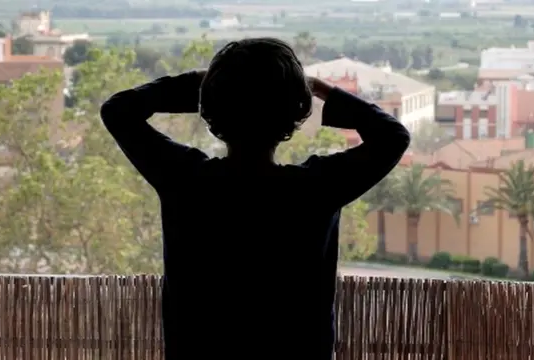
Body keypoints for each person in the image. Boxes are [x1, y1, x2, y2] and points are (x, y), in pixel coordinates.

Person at [100, 38, 410, 360]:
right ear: (297, 111)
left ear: (212, 109)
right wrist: (321, 90)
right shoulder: (315, 190)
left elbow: (118, 111)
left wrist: (199, 82)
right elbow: (393, 137)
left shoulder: (187, 181)